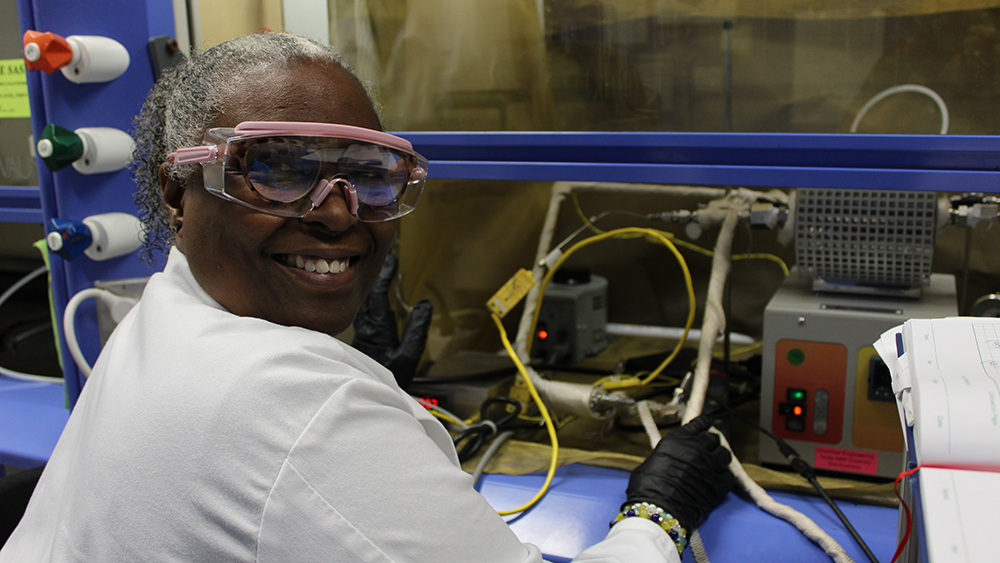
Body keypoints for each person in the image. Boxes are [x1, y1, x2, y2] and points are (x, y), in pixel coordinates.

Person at [0, 33, 734, 562]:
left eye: (370, 172)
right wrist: (652, 517)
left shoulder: (153, 321)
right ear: (176, 192)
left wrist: (361, 387)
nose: (339, 211)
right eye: (280, 169)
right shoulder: (300, 412)